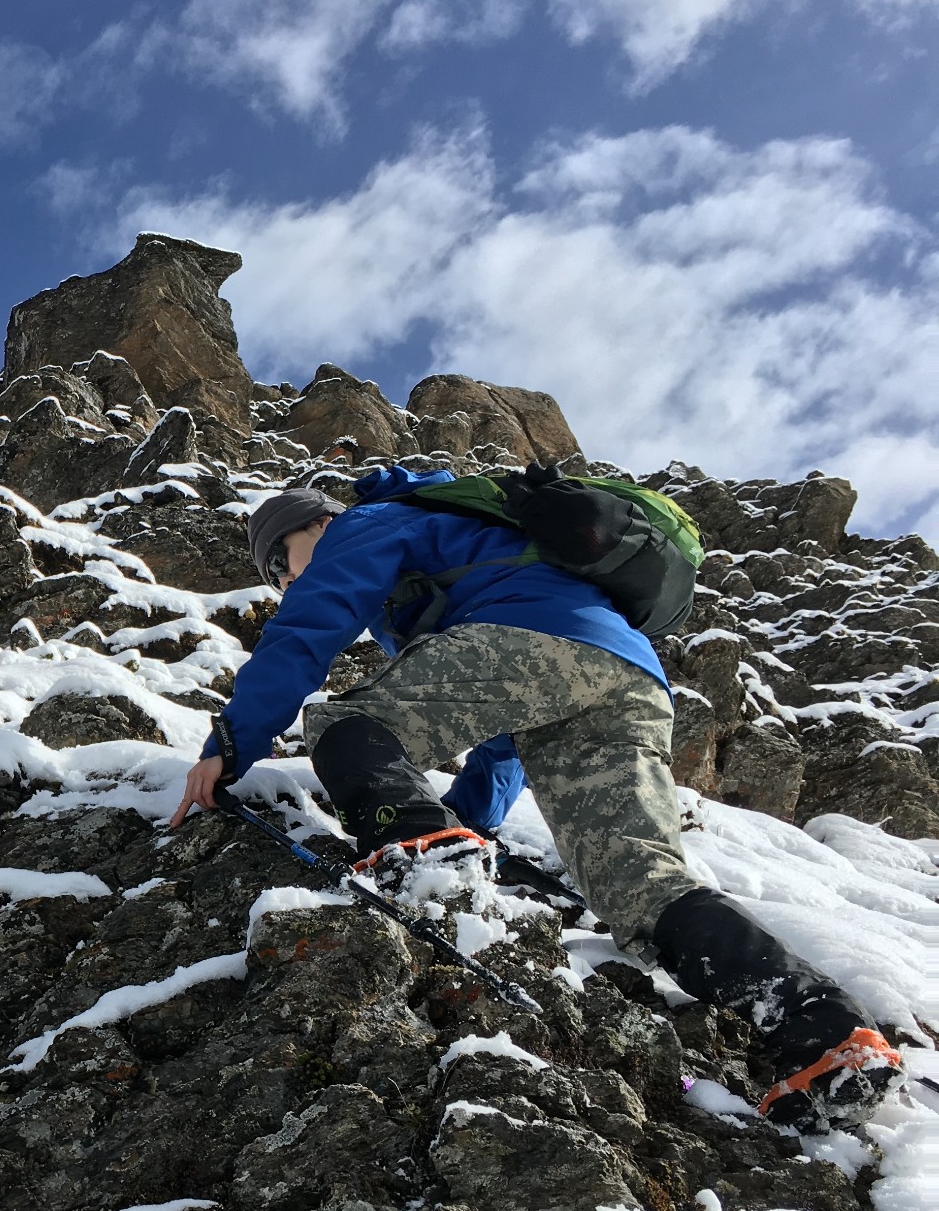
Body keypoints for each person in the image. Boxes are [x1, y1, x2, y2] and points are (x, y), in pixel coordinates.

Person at [170, 472, 902, 1133]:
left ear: (315, 527)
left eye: (281, 561)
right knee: (640, 887)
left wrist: (230, 742)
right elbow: (502, 736)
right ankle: (825, 1031)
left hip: (542, 645)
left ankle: (418, 854)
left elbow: (309, 628)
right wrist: (465, 826)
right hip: (628, 678)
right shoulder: (459, 561)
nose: (281, 581)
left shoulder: (370, 521)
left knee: (347, 724)